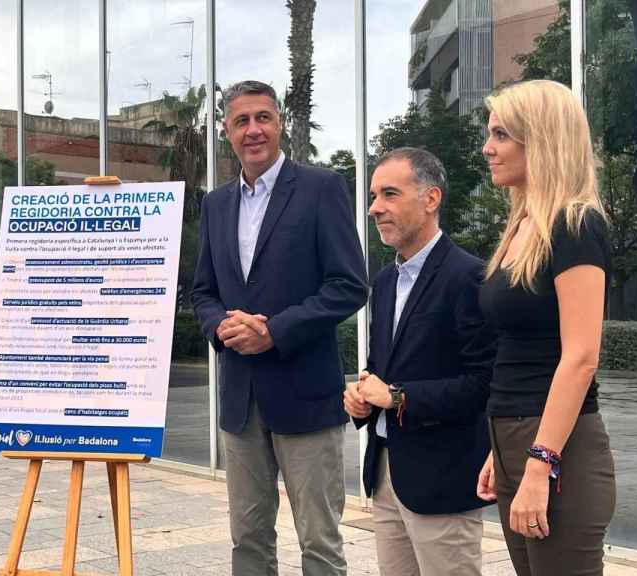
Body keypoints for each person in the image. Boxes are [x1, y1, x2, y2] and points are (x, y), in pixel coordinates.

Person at [191, 80, 367, 576]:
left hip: (306, 395)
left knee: (319, 542)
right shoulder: (216, 205)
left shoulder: (321, 188)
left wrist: (276, 330)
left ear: (280, 123)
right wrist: (222, 326)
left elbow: (349, 285)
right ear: (227, 131)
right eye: (242, 121)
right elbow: (203, 291)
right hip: (241, 400)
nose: (253, 130)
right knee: (247, 539)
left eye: (263, 118)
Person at [475, 79, 616, 575]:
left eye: (501, 135)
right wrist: (503, 453)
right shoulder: (520, 226)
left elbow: (581, 357)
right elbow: (517, 347)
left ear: (542, 138)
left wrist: (541, 460)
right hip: (515, 438)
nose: (488, 149)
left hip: (558, 447)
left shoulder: (575, 225)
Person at [344, 147, 496, 575]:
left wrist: (397, 396)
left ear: (431, 199)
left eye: (390, 194)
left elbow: (484, 384)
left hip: (442, 479)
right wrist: (362, 397)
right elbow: (383, 370)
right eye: (374, 196)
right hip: (386, 472)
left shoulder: (469, 276)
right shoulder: (386, 280)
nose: (375, 208)